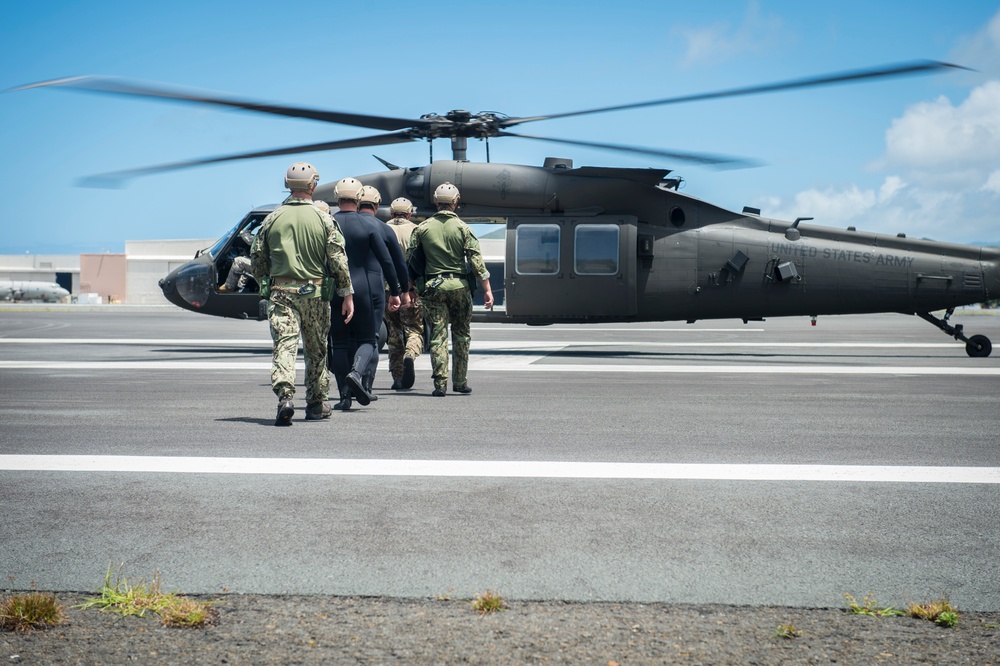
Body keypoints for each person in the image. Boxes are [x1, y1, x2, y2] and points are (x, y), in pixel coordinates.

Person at [250, 162, 354, 425]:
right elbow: (338, 260)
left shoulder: (272, 219)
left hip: (281, 292)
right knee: (316, 348)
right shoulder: (323, 218)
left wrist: (264, 281)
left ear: (287, 185)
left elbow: (257, 257)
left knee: (284, 345)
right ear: (313, 185)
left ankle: (285, 396)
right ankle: (317, 404)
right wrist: (347, 294)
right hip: (316, 293)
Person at [407, 182, 492, 397]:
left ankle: (440, 384)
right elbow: (476, 261)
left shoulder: (422, 228)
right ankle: (461, 382)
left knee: (438, 335)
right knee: (462, 335)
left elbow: (410, 260)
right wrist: (487, 289)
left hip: (433, 288)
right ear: (455, 202)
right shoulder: (464, 228)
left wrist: (410, 287)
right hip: (460, 287)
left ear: (436, 202)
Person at [329, 178, 401, 409]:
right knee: (368, 339)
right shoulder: (369, 225)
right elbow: (387, 261)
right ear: (359, 199)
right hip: (364, 289)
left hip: (336, 290)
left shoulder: (327, 223)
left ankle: (344, 398)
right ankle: (357, 374)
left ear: (337, 197)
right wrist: (396, 291)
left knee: (339, 344)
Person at [358, 185, 410, 396]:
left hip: (347, 290)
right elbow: (394, 263)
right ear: (378, 205)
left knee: (345, 340)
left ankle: (345, 389)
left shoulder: (339, 224)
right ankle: (366, 382)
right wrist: (402, 290)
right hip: (378, 289)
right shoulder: (383, 228)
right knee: (374, 337)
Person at [384, 197, 423, 389]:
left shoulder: (383, 228)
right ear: (409, 214)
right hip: (410, 289)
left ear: (391, 214)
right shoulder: (417, 230)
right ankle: (410, 353)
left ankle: (398, 377)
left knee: (394, 332)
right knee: (414, 329)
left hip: (386, 290)